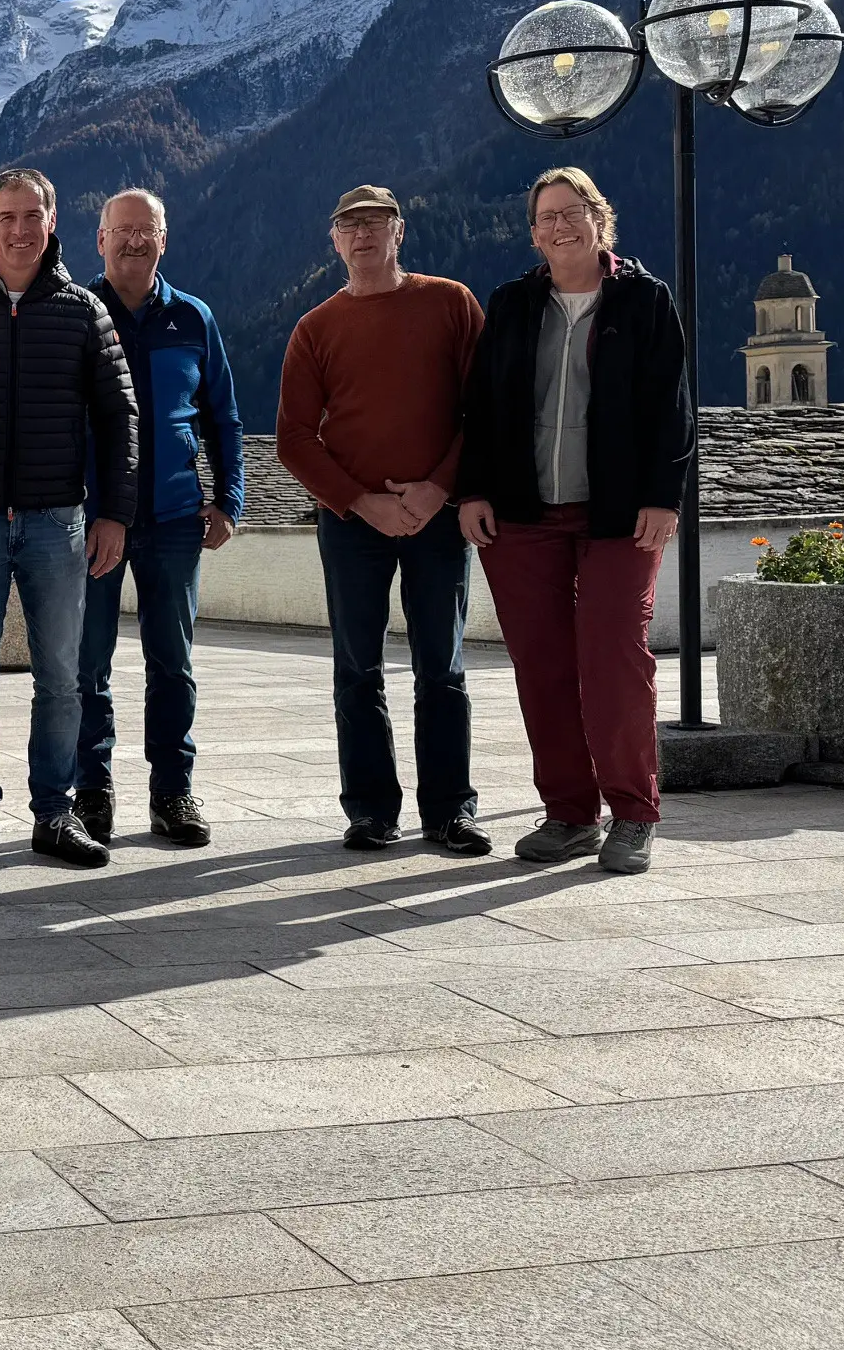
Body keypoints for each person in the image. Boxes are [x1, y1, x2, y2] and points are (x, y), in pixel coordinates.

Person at [458, 167, 690, 876]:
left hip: (620, 515)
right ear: (533, 232)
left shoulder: (645, 301)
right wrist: (473, 491)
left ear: (600, 218)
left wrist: (663, 497)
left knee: (615, 658)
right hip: (525, 515)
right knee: (543, 667)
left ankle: (633, 814)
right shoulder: (512, 303)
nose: (560, 226)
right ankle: (568, 814)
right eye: (546, 217)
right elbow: (483, 408)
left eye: (572, 212)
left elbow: (669, 406)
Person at [0, 167, 139, 872]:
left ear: (53, 224)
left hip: (59, 521)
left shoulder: (83, 311)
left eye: (33, 216)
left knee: (63, 678)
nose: (20, 229)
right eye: (8, 216)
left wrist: (115, 514)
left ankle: (55, 812)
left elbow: (119, 418)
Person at [276, 184, 491, 856]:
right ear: (334, 241)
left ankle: (450, 810)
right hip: (350, 523)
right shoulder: (315, 327)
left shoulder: (451, 303)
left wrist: (439, 490)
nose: (363, 233)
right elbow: (294, 439)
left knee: (443, 667)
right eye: (350, 225)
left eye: (375, 222)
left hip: (439, 516)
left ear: (401, 232)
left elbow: (485, 408)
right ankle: (371, 810)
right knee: (357, 669)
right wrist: (362, 502)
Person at [75, 190, 244, 850]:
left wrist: (229, 499)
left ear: (164, 240)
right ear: (100, 240)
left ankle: (173, 793)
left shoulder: (194, 318)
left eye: (146, 232)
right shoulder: (77, 315)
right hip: (91, 523)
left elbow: (223, 418)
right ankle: (91, 792)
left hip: (175, 520)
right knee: (87, 665)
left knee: (171, 664)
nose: (134, 242)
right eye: (123, 232)